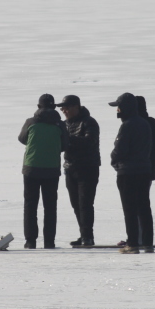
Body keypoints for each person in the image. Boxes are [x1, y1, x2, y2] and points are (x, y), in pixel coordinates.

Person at [18, 93, 69, 249]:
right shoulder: (60, 124)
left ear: (39, 106)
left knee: (30, 205)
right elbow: (65, 145)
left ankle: (30, 241)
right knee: (50, 206)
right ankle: (49, 242)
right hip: (51, 169)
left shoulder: (31, 122)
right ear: (54, 107)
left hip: (31, 168)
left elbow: (22, 138)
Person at [108, 92, 154, 254]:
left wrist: (113, 160)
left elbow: (120, 149)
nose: (117, 110)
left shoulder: (127, 125)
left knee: (130, 209)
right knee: (144, 208)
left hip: (128, 172)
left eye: (119, 107)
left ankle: (133, 244)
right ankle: (148, 243)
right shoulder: (144, 124)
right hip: (144, 170)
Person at [57, 95, 101, 248]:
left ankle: (88, 236)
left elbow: (90, 141)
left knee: (85, 203)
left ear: (77, 106)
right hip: (70, 168)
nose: (64, 110)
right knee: (76, 204)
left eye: (67, 107)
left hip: (88, 168)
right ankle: (83, 234)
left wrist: (68, 140)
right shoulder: (63, 124)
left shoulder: (89, 122)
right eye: (62, 107)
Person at [135, 95, 155, 249]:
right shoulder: (151, 122)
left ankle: (139, 238)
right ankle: (140, 237)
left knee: (139, 205)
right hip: (148, 168)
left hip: (142, 169)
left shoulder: (144, 123)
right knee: (141, 205)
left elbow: (153, 148)